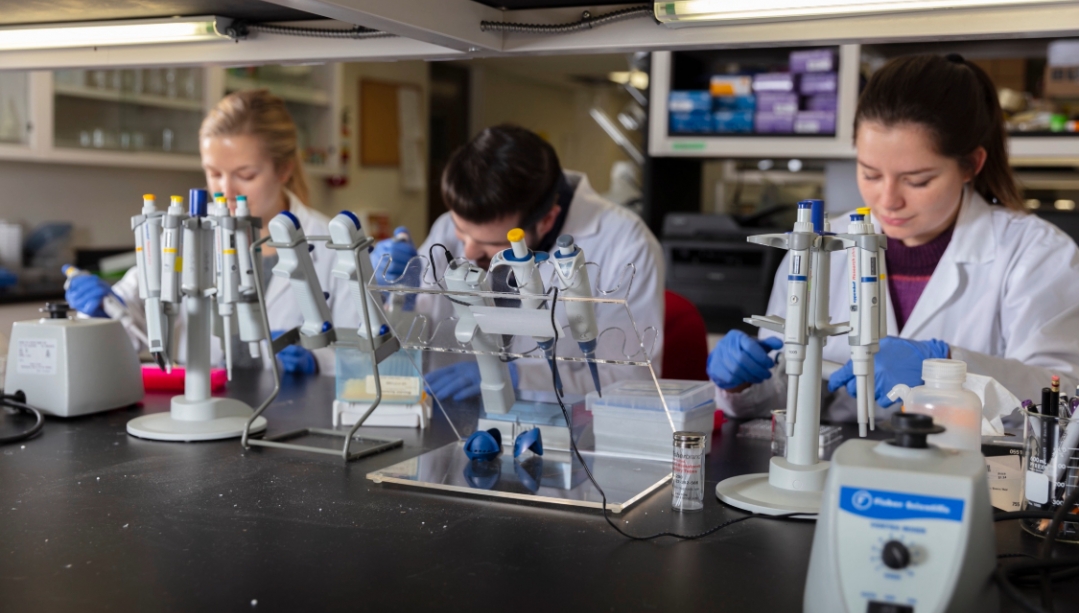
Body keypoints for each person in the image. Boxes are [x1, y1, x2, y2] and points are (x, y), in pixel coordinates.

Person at [709, 53, 1079, 422]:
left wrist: (947, 367)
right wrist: (743, 384)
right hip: (841, 465)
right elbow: (783, 397)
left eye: (917, 180)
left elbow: (1065, 393)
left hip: (971, 471)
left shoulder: (1037, 254)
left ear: (972, 165)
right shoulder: (821, 245)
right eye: (870, 174)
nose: (888, 201)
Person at [65, 90, 353, 374]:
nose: (226, 191)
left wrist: (318, 361)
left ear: (284, 169)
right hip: (204, 403)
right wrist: (103, 311)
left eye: (246, 175)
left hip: (295, 409)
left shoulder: (330, 243)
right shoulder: (188, 233)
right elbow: (135, 318)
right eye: (214, 173)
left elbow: (362, 355)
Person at [371, 124, 665, 400]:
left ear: (547, 220)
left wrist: (520, 374)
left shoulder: (627, 244)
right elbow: (422, 333)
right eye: (461, 231)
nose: (469, 251)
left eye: (493, 244)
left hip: (566, 435)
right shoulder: (452, 227)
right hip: (457, 422)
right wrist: (398, 299)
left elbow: (632, 379)